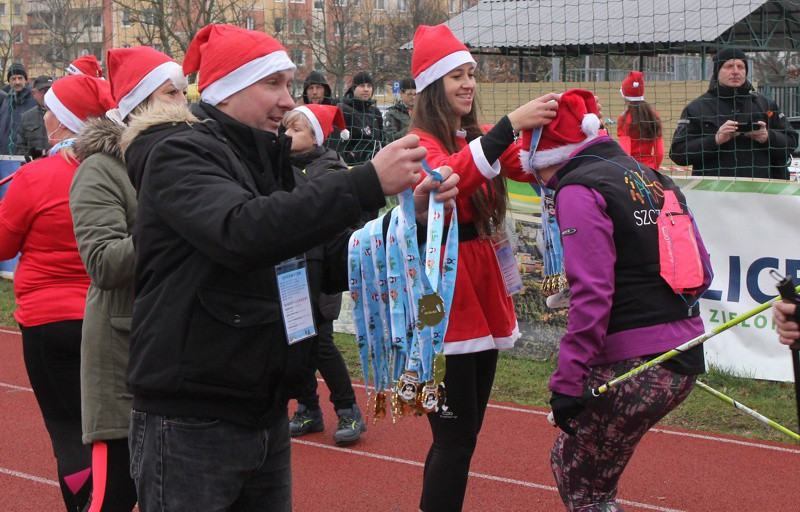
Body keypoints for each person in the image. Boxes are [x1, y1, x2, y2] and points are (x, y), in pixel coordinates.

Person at [120, 24, 457, 510]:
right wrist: (366, 183)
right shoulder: (178, 152)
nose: (288, 100)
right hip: (192, 416)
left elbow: (326, 262)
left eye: (288, 84)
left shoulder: (269, 159)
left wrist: (413, 221)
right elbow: (241, 231)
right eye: (272, 84)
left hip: (262, 408)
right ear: (230, 89)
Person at [519, 89, 712, 512]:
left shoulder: (577, 188)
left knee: (579, 480)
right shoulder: (653, 177)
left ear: (546, 158)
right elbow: (702, 270)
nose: (540, 188)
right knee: (587, 475)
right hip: (683, 355)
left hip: (635, 362)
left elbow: (594, 294)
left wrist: (566, 382)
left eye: (535, 176)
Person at [408, 24, 560, 512]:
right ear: (432, 86)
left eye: (471, 74)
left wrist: (574, 132)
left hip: (482, 286)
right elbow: (453, 175)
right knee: (454, 441)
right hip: (444, 297)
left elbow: (528, 165)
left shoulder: (471, 135)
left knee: (465, 435)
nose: (468, 84)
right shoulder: (417, 143)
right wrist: (508, 125)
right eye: (456, 75)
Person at [69, 46, 188, 512]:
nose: (182, 101)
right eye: (169, 92)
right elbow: (103, 263)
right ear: (139, 103)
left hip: (171, 352)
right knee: (113, 495)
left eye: (183, 91)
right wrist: (169, 222)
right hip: (122, 356)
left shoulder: (181, 158)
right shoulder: (101, 168)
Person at [0, 74, 117, 511]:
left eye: (51, 109)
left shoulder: (37, 176)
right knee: (114, 431)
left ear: (66, 121)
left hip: (50, 322)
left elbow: (3, 245)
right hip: (112, 317)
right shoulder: (126, 170)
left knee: (69, 431)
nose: (44, 116)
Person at [282, 104, 368, 445]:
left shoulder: (331, 170)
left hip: (321, 271)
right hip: (290, 270)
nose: (286, 136)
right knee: (296, 342)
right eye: (285, 129)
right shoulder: (281, 167)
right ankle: (308, 408)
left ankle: (348, 410)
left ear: (315, 136)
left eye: (296, 130)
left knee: (321, 344)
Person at [670, 47, 799, 179]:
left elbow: (792, 143)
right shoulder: (697, 108)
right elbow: (678, 154)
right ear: (717, 71)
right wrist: (716, 139)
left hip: (763, 192)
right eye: (729, 66)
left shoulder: (765, 105)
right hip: (714, 193)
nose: (736, 72)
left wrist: (768, 137)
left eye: (741, 67)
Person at [616, 71, 664, 170]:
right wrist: (654, 169)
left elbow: (625, 151)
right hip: (650, 169)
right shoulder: (653, 115)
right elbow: (659, 152)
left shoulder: (624, 119)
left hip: (632, 170)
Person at [335, 71, 385, 165]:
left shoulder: (375, 112)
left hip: (376, 165)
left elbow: (382, 139)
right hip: (351, 167)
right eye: (362, 86)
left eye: (369, 86)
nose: (366, 89)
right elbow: (338, 144)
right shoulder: (344, 110)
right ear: (353, 88)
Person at [0, 63, 37, 155]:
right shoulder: (7, 100)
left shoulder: (34, 99)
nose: (17, 82)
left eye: (20, 78)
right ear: (9, 81)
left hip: (25, 158)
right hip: (6, 158)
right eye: (13, 78)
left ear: (25, 79)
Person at [15, 75, 52, 159]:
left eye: (50, 90)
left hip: (57, 166)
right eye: (43, 91)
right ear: (34, 93)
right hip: (33, 167)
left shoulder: (63, 115)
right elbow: (21, 147)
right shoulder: (26, 117)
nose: (48, 94)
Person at [384, 78, 416, 142]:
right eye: (409, 94)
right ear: (401, 93)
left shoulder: (422, 112)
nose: (413, 97)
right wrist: (409, 128)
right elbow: (390, 138)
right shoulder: (392, 114)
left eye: (415, 94)